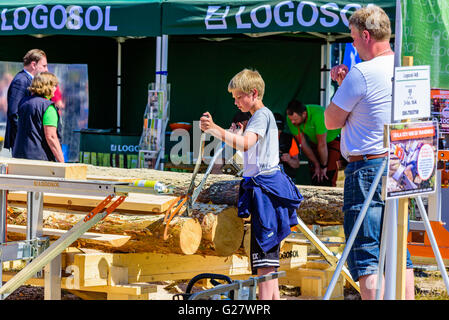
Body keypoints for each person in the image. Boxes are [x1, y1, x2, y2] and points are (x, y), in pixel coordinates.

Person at [324, 5, 414, 300]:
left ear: (365, 35)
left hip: (367, 168)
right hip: (401, 165)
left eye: (352, 37)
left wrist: (342, 86)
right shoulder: (406, 67)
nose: (351, 44)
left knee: (366, 251)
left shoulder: (361, 73)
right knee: (399, 248)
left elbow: (331, 120)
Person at [200, 68, 303, 300]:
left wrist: (215, 130)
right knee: (269, 264)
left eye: (238, 97)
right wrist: (229, 133)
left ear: (253, 93)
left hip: (266, 191)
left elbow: (246, 144)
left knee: (264, 263)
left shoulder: (261, 116)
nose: (235, 102)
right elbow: (247, 148)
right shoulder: (260, 118)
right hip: (265, 187)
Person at [286, 100, 341, 187]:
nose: (292, 122)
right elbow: (303, 144)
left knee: (327, 175)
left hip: (331, 141)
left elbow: (322, 144)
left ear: (304, 114)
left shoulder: (318, 115)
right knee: (315, 174)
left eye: (295, 119)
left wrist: (323, 166)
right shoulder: (291, 119)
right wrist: (316, 164)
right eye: (291, 119)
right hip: (315, 142)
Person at [13, 72, 64, 162]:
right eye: (54, 85)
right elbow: (51, 137)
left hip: (18, 156)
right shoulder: (48, 107)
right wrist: (62, 161)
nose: (55, 89)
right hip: (39, 159)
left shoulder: (23, 102)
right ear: (47, 86)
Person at [5, 49, 48, 153]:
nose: (46, 70)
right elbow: (13, 113)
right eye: (44, 66)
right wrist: (25, 136)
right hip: (22, 141)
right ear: (33, 65)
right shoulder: (21, 81)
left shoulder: (27, 79)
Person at [273, 112, 300, 181]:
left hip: (286, 177)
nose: (277, 132)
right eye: (274, 130)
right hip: (269, 176)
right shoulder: (262, 139)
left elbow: (296, 164)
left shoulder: (289, 139)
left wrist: (289, 160)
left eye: (279, 130)